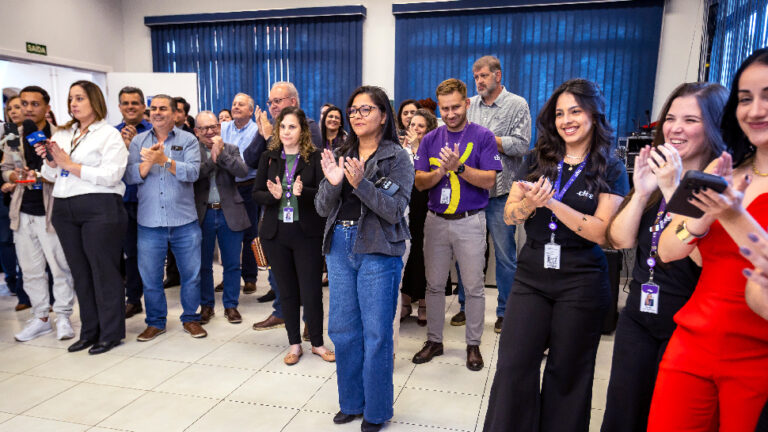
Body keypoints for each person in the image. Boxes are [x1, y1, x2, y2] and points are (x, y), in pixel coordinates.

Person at [483, 78, 629, 431]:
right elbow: (509, 214)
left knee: (568, 373)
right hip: (532, 275)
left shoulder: (611, 167)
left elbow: (602, 232)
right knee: (514, 364)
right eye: (560, 113)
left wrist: (551, 203)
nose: (567, 120)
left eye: (575, 111)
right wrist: (528, 205)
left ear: (594, 114)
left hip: (581, 280)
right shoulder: (537, 159)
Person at [649, 48, 768, 432]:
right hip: (693, 341)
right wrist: (698, 221)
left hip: (758, 355)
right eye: (745, 98)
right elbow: (670, 250)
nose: (754, 111)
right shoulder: (726, 173)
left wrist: (732, 216)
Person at [602, 82, 728, 432]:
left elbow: (704, 260)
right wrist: (642, 193)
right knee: (622, 411)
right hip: (639, 315)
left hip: (687, 324)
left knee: (667, 418)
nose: (675, 128)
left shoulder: (717, 186)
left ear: (714, 126)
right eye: (670, 118)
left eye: (690, 119)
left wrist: (674, 187)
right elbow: (620, 239)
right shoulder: (657, 177)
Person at [315, 86, 413, 432]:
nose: (356, 115)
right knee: (343, 330)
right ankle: (351, 402)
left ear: (384, 116)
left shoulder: (397, 158)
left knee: (376, 334)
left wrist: (359, 184)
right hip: (339, 247)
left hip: (378, 248)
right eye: (353, 110)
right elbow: (322, 207)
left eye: (365, 110)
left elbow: (394, 210)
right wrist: (332, 183)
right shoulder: (340, 152)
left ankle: (376, 411)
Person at [411, 78, 501, 372]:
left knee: (474, 287)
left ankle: (473, 345)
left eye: (455, 107)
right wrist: (440, 171)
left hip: (470, 221)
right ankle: (434, 341)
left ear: (467, 103)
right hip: (436, 221)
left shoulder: (483, 136)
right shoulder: (430, 139)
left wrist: (459, 168)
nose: (450, 113)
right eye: (444, 108)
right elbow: (420, 182)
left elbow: (490, 180)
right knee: (434, 286)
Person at [38, 80, 129, 354]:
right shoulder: (64, 133)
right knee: (80, 273)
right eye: (70, 99)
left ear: (94, 101)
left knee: (103, 271)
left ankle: (110, 333)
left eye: (79, 98)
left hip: (100, 206)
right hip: (65, 206)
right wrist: (53, 163)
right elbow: (50, 175)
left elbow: (112, 175)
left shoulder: (109, 134)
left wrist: (71, 165)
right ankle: (89, 331)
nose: (73, 104)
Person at [452, 55, 532, 334]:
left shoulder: (517, 104)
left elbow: (522, 145)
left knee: (505, 255)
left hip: (501, 193)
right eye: (476, 77)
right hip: (470, 191)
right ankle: (464, 306)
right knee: (467, 253)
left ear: (498, 75)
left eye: (484, 76)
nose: (479, 81)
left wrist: (488, 140)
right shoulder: (469, 105)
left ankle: (505, 312)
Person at [253, 106, 334, 365]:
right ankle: (294, 344)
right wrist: (273, 196)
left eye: (292, 126)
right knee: (286, 292)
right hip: (277, 234)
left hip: (306, 233)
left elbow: (326, 195)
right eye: (282, 126)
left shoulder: (316, 157)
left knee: (311, 291)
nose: (286, 131)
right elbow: (256, 193)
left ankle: (318, 344)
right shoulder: (269, 157)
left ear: (303, 131)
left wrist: (304, 192)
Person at [125, 94, 206, 341]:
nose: (157, 112)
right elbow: (129, 177)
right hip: (149, 223)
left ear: (174, 113)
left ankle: (191, 319)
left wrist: (165, 160)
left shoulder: (188, 139)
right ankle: (155, 322)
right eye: (153, 109)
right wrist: (148, 164)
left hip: (184, 222)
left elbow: (193, 173)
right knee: (150, 278)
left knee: (191, 275)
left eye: (162, 108)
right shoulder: (139, 141)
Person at [1, 86, 75, 343]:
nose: (28, 109)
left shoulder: (60, 135)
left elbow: (68, 170)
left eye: (34, 104)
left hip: (52, 210)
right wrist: (13, 176)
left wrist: (43, 176)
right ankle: (41, 317)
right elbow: (6, 167)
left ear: (47, 107)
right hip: (22, 210)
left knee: (60, 267)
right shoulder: (13, 135)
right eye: (24, 104)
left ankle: (64, 315)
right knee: (30, 269)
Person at [245, 82, 319, 328]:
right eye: (270, 102)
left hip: (304, 218)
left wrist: (271, 136)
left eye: (278, 101)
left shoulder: (309, 128)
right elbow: (250, 159)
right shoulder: (269, 129)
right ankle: (282, 312)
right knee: (280, 275)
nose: (272, 106)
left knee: (307, 278)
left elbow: (311, 166)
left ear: (293, 102)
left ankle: (310, 321)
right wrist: (264, 134)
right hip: (275, 216)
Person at [193, 111, 250, 325]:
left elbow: (243, 171)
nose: (210, 131)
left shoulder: (232, 148)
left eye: (213, 127)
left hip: (230, 213)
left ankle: (231, 305)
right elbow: (194, 175)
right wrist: (212, 160)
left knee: (233, 263)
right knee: (203, 264)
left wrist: (221, 153)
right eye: (204, 128)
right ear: (197, 132)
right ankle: (207, 305)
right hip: (203, 213)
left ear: (219, 127)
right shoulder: (192, 151)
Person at [220, 93, 264, 297]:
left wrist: (225, 157)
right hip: (225, 186)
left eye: (241, 104)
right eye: (234, 103)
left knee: (249, 233)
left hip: (247, 186)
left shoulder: (256, 131)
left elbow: (246, 162)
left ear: (250, 110)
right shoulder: (223, 128)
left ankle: (250, 277)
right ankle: (229, 276)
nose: (236, 107)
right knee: (227, 233)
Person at [116, 86, 152, 319]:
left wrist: (133, 148)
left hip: (147, 201)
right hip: (120, 201)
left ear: (142, 106)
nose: (130, 107)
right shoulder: (111, 134)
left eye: (134, 103)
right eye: (125, 103)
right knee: (129, 253)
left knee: (149, 254)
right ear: (120, 107)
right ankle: (133, 299)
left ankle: (154, 301)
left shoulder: (152, 132)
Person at [400, 108, 437, 325]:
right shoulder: (400, 149)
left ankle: (423, 303)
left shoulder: (433, 149)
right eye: (412, 125)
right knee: (407, 252)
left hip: (425, 204)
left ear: (429, 130)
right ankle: (405, 301)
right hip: (405, 206)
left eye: (420, 126)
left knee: (424, 254)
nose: (414, 129)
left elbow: (428, 176)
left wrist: (416, 148)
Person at [1, 95, 30, 311]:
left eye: (18, 107)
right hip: (15, 197)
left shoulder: (42, 132)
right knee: (12, 245)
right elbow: (11, 166)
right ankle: (21, 292)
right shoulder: (10, 134)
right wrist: (12, 178)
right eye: (9, 108)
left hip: (39, 196)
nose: (13, 111)